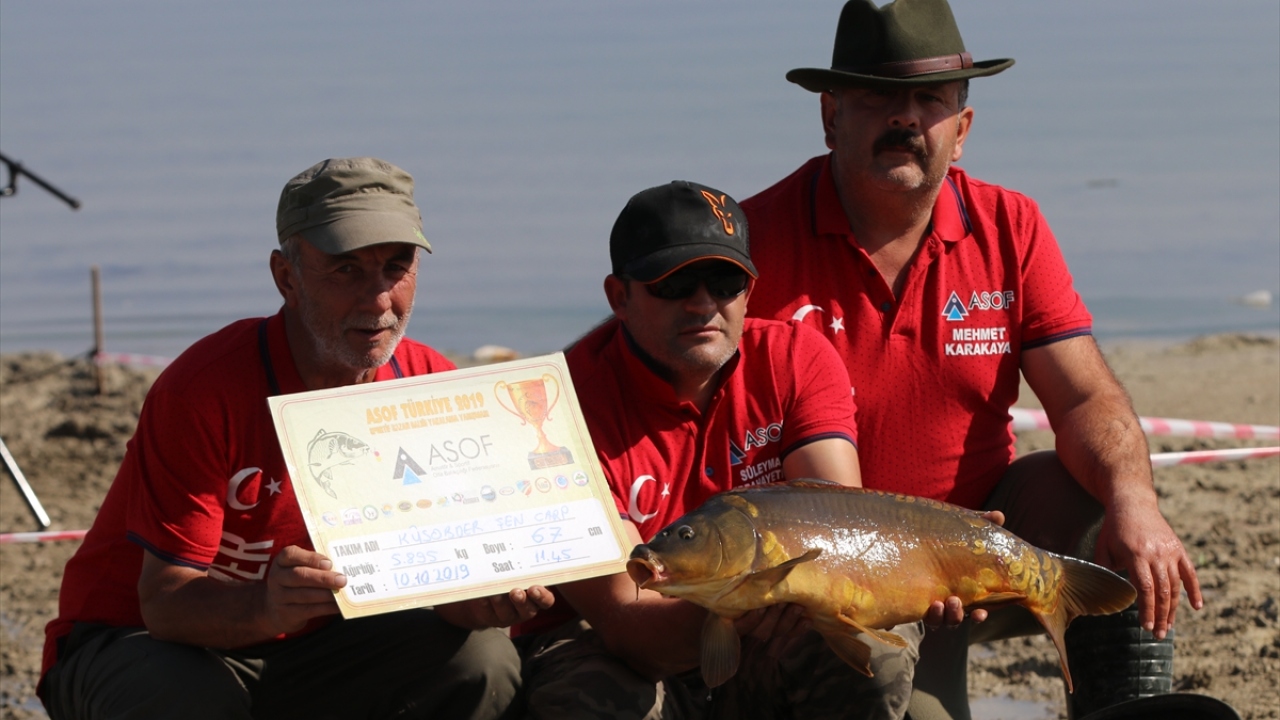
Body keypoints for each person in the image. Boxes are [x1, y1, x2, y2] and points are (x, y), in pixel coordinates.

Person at [738, 1, 1203, 718]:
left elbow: (1083, 399)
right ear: (830, 115)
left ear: (963, 127)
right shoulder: (752, 243)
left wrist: (1135, 503)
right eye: (879, 96)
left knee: (1103, 509)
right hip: (835, 571)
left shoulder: (1010, 225)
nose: (906, 118)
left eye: (930, 100)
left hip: (983, 541)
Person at [38, 157, 554, 720]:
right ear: (286, 277)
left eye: (396, 267)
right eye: (346, 270)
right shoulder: (204, 389)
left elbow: (446, 583)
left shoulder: (434, 384)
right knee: (186, 696)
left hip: (323, 646)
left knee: (485, 661)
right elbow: (163, 604)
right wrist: (263, 603)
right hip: (140, 641)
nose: (379, 299)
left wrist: (484, 600)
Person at [517, 180, 928, 720]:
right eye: (675, 283)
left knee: (875, 647)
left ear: (749, 291)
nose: (703, 302)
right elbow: (626, 620)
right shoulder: (553, 412)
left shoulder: (796, 356)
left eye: (725, 280)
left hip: (762, 635)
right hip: (609, 646)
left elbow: (836, 524)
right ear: (619, 296)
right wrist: (754, 598)